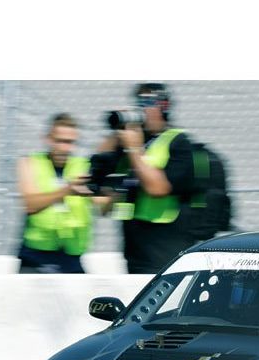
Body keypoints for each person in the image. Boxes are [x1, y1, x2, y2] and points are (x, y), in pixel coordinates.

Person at [98, 82, 231, 274]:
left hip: (164, 247)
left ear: (163, 106)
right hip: (134, 247)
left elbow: (158, 188)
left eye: (148, 102)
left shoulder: (178, 142)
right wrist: (116, 132)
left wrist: (134, 149)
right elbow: (99, 163)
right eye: (139, 102)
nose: (142, 108)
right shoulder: (132, 140)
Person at [17, 113, 96, 273]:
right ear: (48, 139)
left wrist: (108, 188)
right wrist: (68, 190)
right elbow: (30, 204)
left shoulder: (84, 165)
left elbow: (104, 207)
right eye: (60, 141)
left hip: (72, 255)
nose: (65, 148)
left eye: (70, 142)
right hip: (36, 255)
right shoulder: (30, 162)